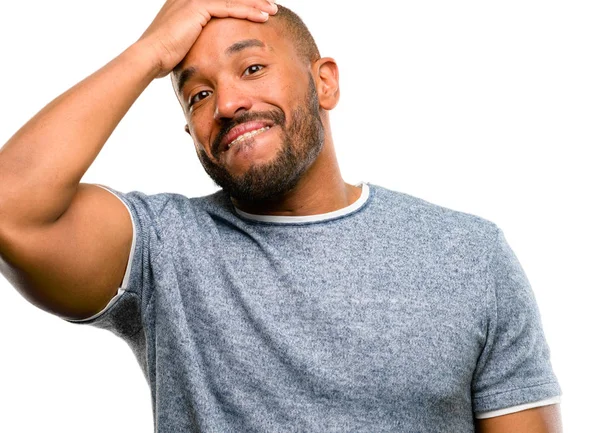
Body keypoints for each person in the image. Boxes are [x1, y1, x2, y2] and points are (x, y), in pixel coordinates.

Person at [0, 1, 562, 431]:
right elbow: (11, 207)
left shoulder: (469, 254)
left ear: (325, 82)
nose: (226, 104)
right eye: (196, 95)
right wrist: (147, 53)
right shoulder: (162, 251)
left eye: (251, 68)